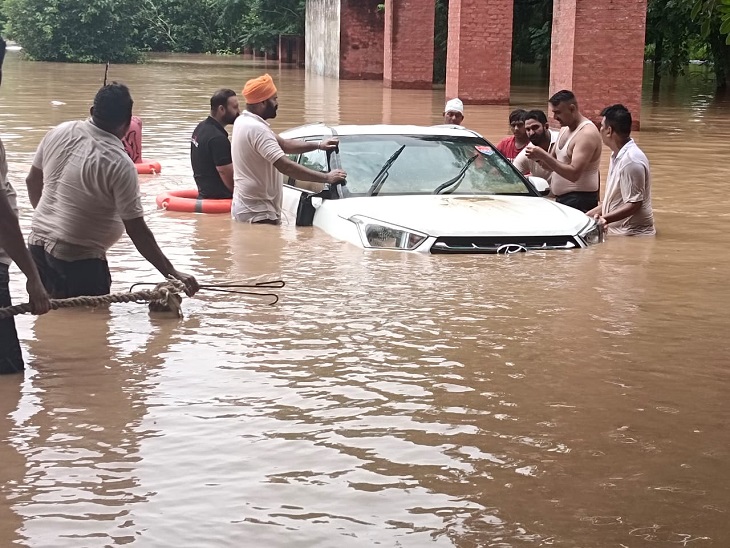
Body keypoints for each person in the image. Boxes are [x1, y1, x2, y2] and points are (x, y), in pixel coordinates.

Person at [24, 82, 199, 298]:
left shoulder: (59, 131)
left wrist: (48, 220)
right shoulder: (119, 163)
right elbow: (136, 229)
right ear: (127, 124)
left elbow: (32, 181)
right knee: (89, 327)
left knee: (50, 321)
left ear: (92, 111)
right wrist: (171, 272)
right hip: (79, 261)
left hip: (35, 246)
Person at [231, 73, 347, 224]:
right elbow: (286, 167)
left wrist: (319, 145)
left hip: (250, 210)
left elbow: (285, 145)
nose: (277, 103)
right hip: (258, 213)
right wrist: (327, 178)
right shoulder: (257, 129)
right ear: (262, 103)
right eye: (274, 99)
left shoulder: (245, 121)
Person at [525, 90, 602, 212]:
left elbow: (574, 174)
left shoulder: (586, 133)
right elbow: (549, 165)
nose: (555, 117)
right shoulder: (564, 129)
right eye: (554, 112)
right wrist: (538, 157)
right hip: (563, 199)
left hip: (581, 200)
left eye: (558, 112)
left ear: (572, 109)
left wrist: (542, 154)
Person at [586, 105, 655, 236]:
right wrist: (588, 216)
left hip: (633, 235)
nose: (600, 130)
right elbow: (616, 201)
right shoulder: (617, 155)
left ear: (609, 131)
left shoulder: (631, 160)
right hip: (618, 232)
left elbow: (634, 204)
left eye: (602, 126)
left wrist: (604, 219)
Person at [191, 89, 240, 199]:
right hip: (219, 198)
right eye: (235, 107)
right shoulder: (218, 139)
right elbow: (230, 180)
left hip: (204, 193)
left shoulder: (201, 127)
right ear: (221, 109)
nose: (239, 112)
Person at [513, 109, 558, 183]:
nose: (531, 133)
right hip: (545, 193)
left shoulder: (561, 141)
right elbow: (512, 176)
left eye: (535, 127)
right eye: (528, 129)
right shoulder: (527, 152)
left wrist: (541, 156)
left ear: (546, 126)